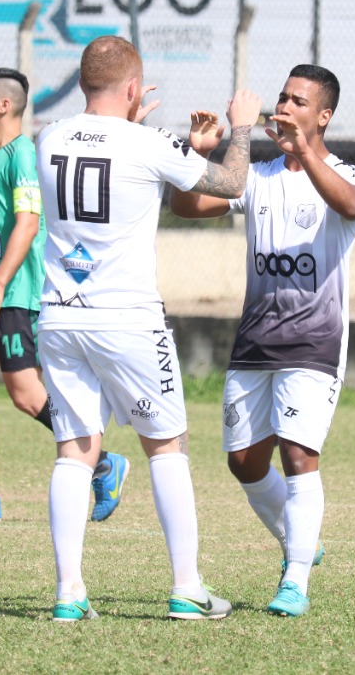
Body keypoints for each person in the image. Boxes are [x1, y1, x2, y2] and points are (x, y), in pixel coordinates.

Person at [35, 35, 262, 622]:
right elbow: (230, 183)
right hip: (128, 319)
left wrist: (133, 121)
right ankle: (186, 588)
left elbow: (104, 147)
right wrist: (239, 129)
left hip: (59, 317)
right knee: (166, 446)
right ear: (135, 88)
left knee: (75, 451)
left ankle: (68, 594)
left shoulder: (49, 136)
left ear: (85, 83)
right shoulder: (147, 142)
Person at [169, 64, 355, 618]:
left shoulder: (347, 175)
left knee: (299, 453)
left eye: (298, 101)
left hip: (314, 343)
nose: (283, 106)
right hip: (255, 340)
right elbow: (184, 207)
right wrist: (197, 155)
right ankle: (304, 541)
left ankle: (296, 579)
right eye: (281, 97)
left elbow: (353, 207)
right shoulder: (255, 175)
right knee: (243, 462)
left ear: (322, 116)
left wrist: (305, 153)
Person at [0, 67, 129, 524]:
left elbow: (28, 224)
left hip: (14, 294)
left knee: (24, 393)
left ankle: (103, 462)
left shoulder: (24, 156)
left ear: (3, 104)